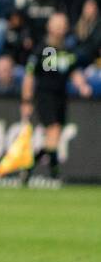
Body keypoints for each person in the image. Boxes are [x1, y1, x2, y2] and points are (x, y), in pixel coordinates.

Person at [19, 11, 90, 182]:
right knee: (54, 130)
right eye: (57, 25)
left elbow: (72, 71)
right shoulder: (43, 50)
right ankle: (54, 171)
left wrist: (82, 86)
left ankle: (29, 167)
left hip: (61, 96)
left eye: (62, 25)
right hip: (45, 95)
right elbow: (29, 76)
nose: (60, 28)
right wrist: (27, 100)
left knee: (55, 135)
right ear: (49, 27)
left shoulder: (67, 49)